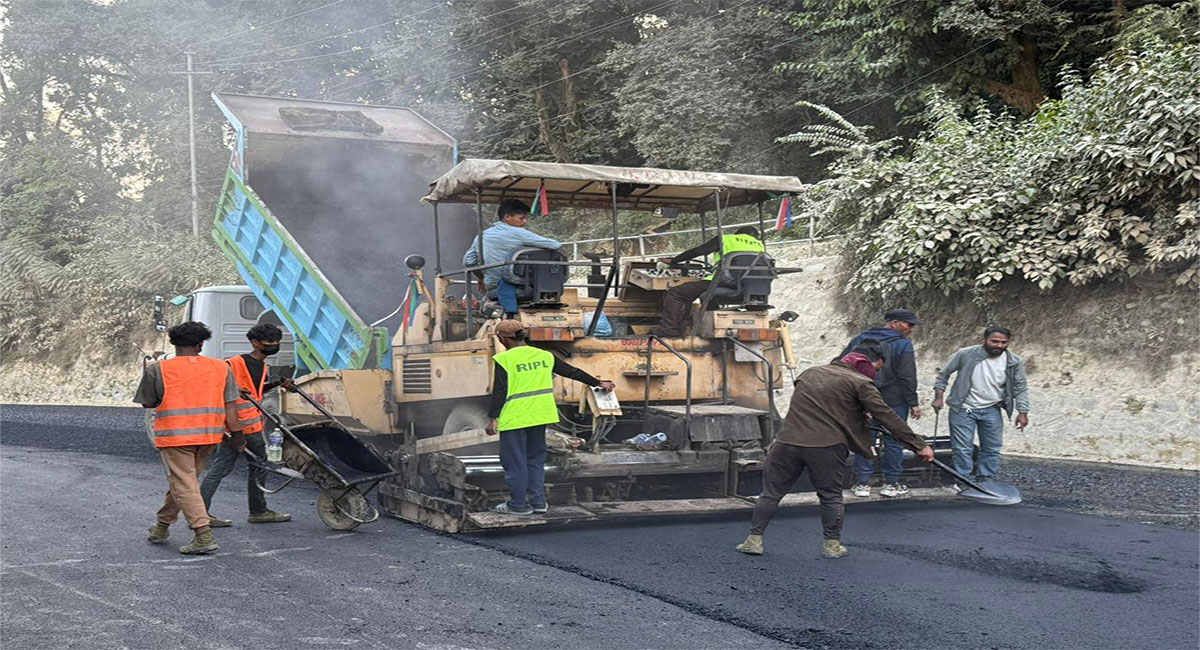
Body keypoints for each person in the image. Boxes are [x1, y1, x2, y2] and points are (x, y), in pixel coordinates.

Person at [734, 340, 934, 559]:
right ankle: (832, 546)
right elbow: (887, 416)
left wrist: (856, 412)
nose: (875, 374)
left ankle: (753, 540)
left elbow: (824, 405)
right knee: (830, 496)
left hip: (787, 443)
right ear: (869, 363)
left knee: (771, 494)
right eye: (877, 369)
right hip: (825, 447)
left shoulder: (810, 373)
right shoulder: (861, 383)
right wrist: (919, 445)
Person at [485, 320, 615, 515]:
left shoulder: (504, 359)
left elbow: (500, 392)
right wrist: (598, 383)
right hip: (540, 416)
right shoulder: (545, 356)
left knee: (515, 462)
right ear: (522, 336)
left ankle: (518, 505)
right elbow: (572, 372)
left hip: (515, 418)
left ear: (503, 338)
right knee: (535, 460)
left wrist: (492, 418)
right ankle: (538, 502)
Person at [134, 321, 242, 555]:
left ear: (173, 344)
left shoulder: (158, 370)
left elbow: (147, 402)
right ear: (201, 345)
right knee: (184, 483)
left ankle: (203, 534)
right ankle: (161, 526)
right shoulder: (221, 368)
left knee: (184, 484)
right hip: (209, 436)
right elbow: (231, 407)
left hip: (175, 436)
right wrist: (238, 436)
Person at [199, 323, 295, 527]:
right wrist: (233, 431)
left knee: (257, 467)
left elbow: (253, 392)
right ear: (254, 342)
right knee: (223, 469)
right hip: (236, 426)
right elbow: (215, 391)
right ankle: (202, 514)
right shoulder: (233, 364)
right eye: (269, 342)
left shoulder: (262, 366)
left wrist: (278, 383)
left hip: (252, 425)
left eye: (277, 342)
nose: (274, 345)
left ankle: (257, 510)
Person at [838, 309, 923, 499]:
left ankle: (862, 484)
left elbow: (841, 365)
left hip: (864, 399)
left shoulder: (860, 339)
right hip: (894, 401)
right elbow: (907, 375)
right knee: (894, 440)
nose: (911, 329)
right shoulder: (902, 344)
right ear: (894, 323)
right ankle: (891, 484)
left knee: (865, 440)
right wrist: (913, 402)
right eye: (909, 325)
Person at [932, 327, 1030, 482]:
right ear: (985, 340)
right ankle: (963, 478)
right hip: (963, 408)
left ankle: (985, 478)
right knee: (963, 448)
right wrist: (939, 396)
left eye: (1004, 342)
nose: (999, 345)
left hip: (992, 408)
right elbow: (943, 375)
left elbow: (1021, 387)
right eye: (994, 341)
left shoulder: (1014, 361)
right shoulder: (965, 354)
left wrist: (1022, 411)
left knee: (992, 448)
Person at [652, 226, 765, 338]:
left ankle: (669, 330)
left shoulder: (726, 239)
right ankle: (708, 325)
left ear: (737, 234)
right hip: (750, 287)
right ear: (755, 236)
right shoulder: (760, 245)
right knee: (706, 295)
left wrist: (674, 260)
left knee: (677, 293)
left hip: (724, 282)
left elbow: (699, 251)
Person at [463, 199, 562, 318]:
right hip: (519, 286)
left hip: (492, 287)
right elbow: (555, 245)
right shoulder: (518, 233)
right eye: (521, 218)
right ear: (507, 217)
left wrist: (481, 278)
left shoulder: (482, 235)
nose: (524, 222)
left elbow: (468, 262)